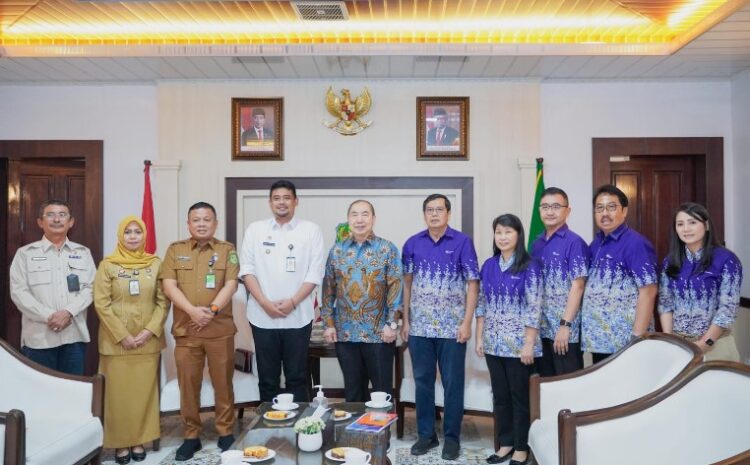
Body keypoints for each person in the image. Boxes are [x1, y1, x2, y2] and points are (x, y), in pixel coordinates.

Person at [401, 193, 479, 461]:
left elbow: (472, 284)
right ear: (424, 214)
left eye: (439, 209)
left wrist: (467, 322)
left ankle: (452, 438)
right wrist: (407, 322)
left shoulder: (462, 242)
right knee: (422, 382)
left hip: (452, 328)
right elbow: (407, 284)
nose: (434, 214)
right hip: (420, 328)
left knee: (452, 384)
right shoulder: (412, 243)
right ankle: (426, 436)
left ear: (448, 213)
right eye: (429, 210)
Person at [159, 202, 239, 461]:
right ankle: (191, 436)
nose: (202, 223)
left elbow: (231, 283)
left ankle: (226, 432)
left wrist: (212, 309)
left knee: (223, 384)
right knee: (188, 386)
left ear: (215, 223)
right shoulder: (175, 250)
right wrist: (193, 311)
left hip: (219, 330)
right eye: (196, 219)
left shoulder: (227, 250)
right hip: (187, 330)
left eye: (207, 219)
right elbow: (169, 286)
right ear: (188, 223)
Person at [240, 180, 326, 403]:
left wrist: (293, 302)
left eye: (286, 198)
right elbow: (247, 270)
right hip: (262, 317)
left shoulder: (310, 230)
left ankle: (299, 429)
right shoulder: (255, 230)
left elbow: (314, 273)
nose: (281, 202)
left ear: (295, 201)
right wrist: (265, 304)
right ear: (270, 202)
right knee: (267, 378)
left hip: (298, 317)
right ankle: (269, 430)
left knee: (297, 377)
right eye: (276, 198)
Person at [94, 216, 168, 464]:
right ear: (120, 236)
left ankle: (139, 440)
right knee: (118, 397)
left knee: (143, 396)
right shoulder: (108, 265)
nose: (133, 236)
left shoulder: (155, 264)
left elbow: (163, 302)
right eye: (128, 232)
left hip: (147, 343)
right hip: (116, 344)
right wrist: (123, 336)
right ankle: (120, 444)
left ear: (144, 235)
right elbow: (101, 304)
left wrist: (149, 330)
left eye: (138, 231)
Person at [320, 200, 403, 402]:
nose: (359, 219)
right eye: (354, 214)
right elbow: (328, 290)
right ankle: (354, 434)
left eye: (365, 214)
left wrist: (392, 324)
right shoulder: (337, 251)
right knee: (353, 392)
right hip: (346, 334)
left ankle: (380, 434)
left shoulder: (387, 249)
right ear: (348, 219)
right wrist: (329, 324)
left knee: (381, 394)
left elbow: (396, 288)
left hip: (379, 335)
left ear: (373, 219)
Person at [476, 214, 541, 465]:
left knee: (519, 397)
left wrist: (528, 344)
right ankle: (505, 444)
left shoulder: (529, 266)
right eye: (498, 232)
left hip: (519, 347)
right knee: (500, 396)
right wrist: (480, 338)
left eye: (508, 232)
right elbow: (481, 304)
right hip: (493, 343)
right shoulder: (489, 265)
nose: (502, 237)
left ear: (518, 236)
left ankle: (521, 447)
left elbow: (534, 307)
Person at [10, 199, 95, 375]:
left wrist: (68, 312)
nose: (57, 219)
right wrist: (49, 316)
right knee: (39, 395)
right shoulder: (25, 254)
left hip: (74, 337)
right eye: (50, 215)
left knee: (72, 391)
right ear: (40, 222)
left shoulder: (83, 253)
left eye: (62, 215)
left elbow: (91, 287)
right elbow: (19, 292)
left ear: (70, 222)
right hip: (39, 339)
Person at [581, 185, 657, 363]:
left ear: (624, 211)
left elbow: (649, 290)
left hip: (625, 342)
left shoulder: (635, 243)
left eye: (611, 207)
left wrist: (636, 337)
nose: (604, 213)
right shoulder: (597, 242)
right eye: (599, 208)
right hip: (600, 341)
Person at [658, 202, 743, 361]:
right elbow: (665, 304)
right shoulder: (670, 261)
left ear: (706, 225)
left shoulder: (727, 260)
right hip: (679, 346)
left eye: (692, 222)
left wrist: (705, 344)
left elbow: (727, 310)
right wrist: (670, 340)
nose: (686, 229)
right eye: (680, 224)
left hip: (716, 346)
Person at [530, 187, 589, 376]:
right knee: (545, 384)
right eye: (545, 207)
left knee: (567, 382)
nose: (549, 211)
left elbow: (578, 286)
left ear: (567, 211)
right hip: (541, 328)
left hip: (564, 329)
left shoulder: (574, 242)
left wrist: (565, 325)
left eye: (556, 206)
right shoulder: (536, 243)